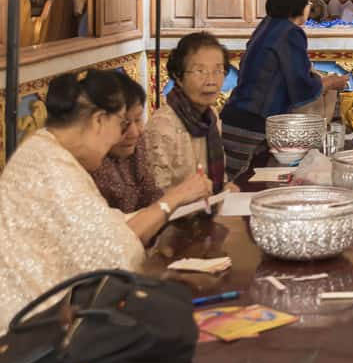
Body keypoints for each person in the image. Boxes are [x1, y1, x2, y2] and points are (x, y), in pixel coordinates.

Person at [0, 71, 148, 327]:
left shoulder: (42, 147)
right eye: (121, 124)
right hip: (24, 333)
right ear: (100, 120)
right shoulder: (53, 168)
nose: (121, 135)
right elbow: (117, 258)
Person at [221, 0, 349, 177]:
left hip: (234, 118)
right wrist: (330, 82)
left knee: (232, 181)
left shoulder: (267, 24)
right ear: (298, 5)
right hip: (254, 126)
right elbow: (301, 87)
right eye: (307, 2)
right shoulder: (291, 33)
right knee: (245, 183)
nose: (308, 7)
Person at [92, 73, 212, 216]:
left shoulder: (138, 144)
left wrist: (188, 197)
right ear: (98, 121)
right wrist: (178, 196)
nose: (134, 132)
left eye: (138, 120)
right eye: (124, 123)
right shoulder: (91, 161)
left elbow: (153, 198)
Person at [146, 32, 230, 192]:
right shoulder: (163, 125)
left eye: (218, 71)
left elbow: (218, 178)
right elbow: (156, 195)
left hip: (208, 207)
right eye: (200, 71)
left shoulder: (211, 115)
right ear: (178, 77)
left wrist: (223, 189)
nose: (211, 81)